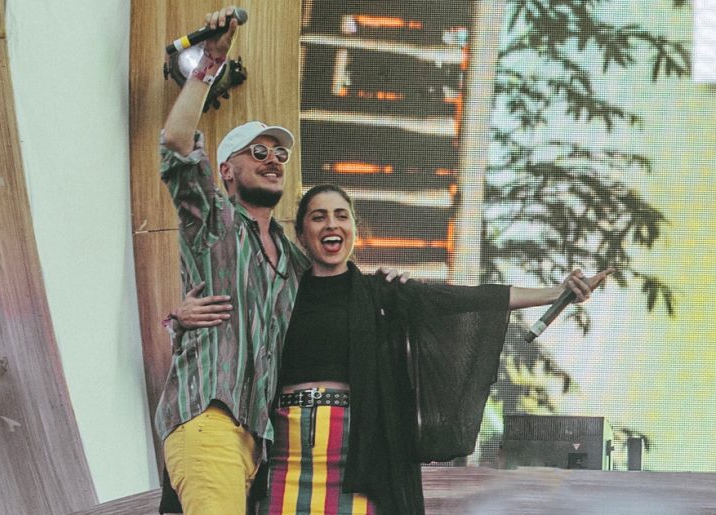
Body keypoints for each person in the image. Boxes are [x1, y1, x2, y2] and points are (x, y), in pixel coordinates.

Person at [244, 184, 614, 514]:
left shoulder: (381, 292)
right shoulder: (279, 294)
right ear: (301, 234)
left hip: (358, 453)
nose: (331, 224)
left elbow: (465, 300)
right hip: (286, 451)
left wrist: (557, 293)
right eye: (318, 217)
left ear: (355, 229)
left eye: (342, 216)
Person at [154, 7, 309, 515]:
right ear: (226, 171)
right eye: (258, 152)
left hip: (257, 442)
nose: (273, 160)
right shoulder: (215, 221)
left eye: (280, 155)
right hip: (208, 417)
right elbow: (177, 145)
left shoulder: (294, 260)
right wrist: (210, 63)